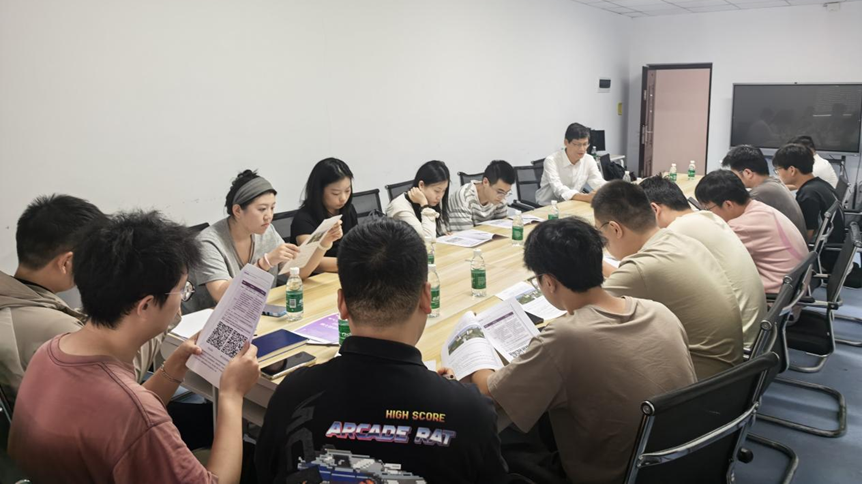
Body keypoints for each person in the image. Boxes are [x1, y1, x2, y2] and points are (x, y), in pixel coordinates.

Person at [8, 211, 261, 484]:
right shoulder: (133, 410)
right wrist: (231, 396)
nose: (181, 300)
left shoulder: (50, 351)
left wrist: (173, 368)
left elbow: (118, 417)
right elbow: (132, 413)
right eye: (182, 291)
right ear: (146, 305)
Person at [256, 218, 506, 484]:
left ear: (342, 304)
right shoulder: (470, 411)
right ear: (426, 297)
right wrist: (445, 392)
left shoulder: (294, 393)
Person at [463, 218, 696, 484]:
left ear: (549, 282)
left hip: (612, 476)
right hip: (678, 464)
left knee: (502, 436)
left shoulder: (564, 338)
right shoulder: (658, 311)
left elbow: (489, 394)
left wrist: (476, 350)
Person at [0, 195, 159, 408]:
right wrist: (158, 313)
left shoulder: (11, 299)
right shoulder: (57, 329)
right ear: (67, 262)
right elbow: (118, 380)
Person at [593, 181, 743, 380]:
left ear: (615, 229)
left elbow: (584, 314)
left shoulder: (641, 267)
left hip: (698, 385)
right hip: (730, 374)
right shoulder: (683, 241)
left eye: (600, 235)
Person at [186, 169, 341, 313]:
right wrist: (264, 263)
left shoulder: (267, 231)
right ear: (237, 210)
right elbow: (221, 295)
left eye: (272, 208)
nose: (269, 216)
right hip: (213, 320)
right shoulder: (208, 243)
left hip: (255, 312)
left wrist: (323, 244)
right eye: (262, 209)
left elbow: (298, 273)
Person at [640, 176, 767, 345]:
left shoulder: (678, 230)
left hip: (735, 342)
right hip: (753, 335)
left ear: (654, 209)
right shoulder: (708, 218)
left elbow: (640, 275)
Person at [695, 170, 808, 293]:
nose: (707, 212)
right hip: (793, 285)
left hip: (775, 294)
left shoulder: (741, 226)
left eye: (707, 208)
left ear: (728, 205)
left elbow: (711, 260)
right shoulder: (758, 207)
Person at [721, 145, 806, 239]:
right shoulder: (773, 183)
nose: (733, 179)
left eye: (734, 175)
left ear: (748, 173)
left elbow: (734, 224)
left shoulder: (759, 195)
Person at [291, 158, 356, 273]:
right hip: (317, 279)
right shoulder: (303, 219)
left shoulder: (348, 210)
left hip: (346, 273)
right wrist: (355, 263)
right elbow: (310, 262)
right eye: (335, 193)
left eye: (347, 191)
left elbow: (355, 246)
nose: (343, 198)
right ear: (319, 191)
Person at [772, 143, 845, 247]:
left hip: (821, 253)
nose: (778, 174)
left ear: (792, 170)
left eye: (777, 170)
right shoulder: (821, 185)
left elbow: (805, 239)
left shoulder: (808, 195)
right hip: (833, 246)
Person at [536, 122, 605, 205]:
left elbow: (598, 181)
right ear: (566, 142)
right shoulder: (551, 161)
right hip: (547, 206)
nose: (582, 149)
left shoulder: (588, 159)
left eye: (585, 144)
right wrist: (586, 197)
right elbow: (559, 189)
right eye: (577, 144)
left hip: (573, 204)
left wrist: (611, 190)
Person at [386, 160, 451, 238]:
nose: (440, 196)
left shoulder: (433, 200)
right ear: (421, 185)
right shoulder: (399, 207)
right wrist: (424, 206)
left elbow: (440, 231)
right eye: (437, 191)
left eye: (444, 191)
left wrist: (445, 235)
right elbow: (427, 239)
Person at [447, 160, 515, 232]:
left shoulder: (500, 198)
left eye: (506, 193)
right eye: (499, 192)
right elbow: (465, 235)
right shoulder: (464, 197)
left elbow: (503, 227)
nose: (503, 197)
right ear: (485, 182)